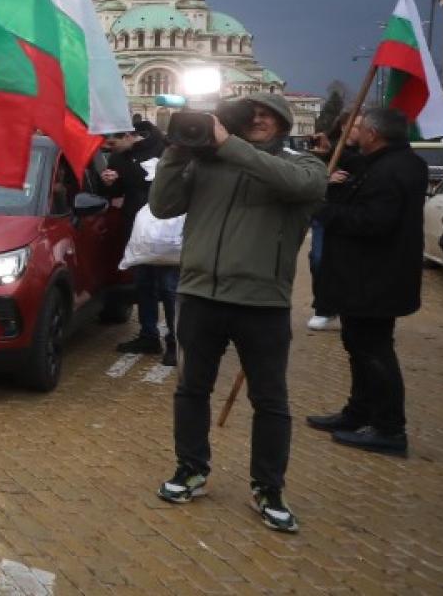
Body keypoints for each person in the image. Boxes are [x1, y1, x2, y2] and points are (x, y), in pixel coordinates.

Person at [149, 92, 325, 534]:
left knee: (270, 400)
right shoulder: (208, 164)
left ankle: (268, 488)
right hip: (200, 294)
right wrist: (175, 153)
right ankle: (191, 469)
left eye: (268, 114)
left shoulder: (304, 167)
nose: (259, 119)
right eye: (251, 114)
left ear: (285, 123)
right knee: (192, 389)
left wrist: (229, 145)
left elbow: (296, 186)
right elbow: (162, 206)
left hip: (261, 301)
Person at [306, 107, 426, 456]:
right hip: (369, 277)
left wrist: (322, 209)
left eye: (359, 127)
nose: (353, 131)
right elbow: (358, 172)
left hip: (374, 278)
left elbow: (373, 222)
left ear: (373, 134)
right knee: (358, 346)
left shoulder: (390, 170)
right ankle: (358, 413)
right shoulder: (394, 162)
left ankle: (389, 428)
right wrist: (330, 154)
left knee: (374, 352)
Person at [106, 130, 178, 364]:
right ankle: (149, 337)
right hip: (138, 234)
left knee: (170, 289)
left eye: (113, 142)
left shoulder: (165, 149)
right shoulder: (117, 158)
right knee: (144, 286)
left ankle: (175, 343)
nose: (110, 147)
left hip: (167, 234)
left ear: (129, 135)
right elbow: (117, 193)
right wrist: (108, 182)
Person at [305, 114, 355, 332]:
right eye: (355, 125)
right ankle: (324, 308)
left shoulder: (368, 152)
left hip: (353, 214)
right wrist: (326, 177)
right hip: (326, 214)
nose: (358, 130)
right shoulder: (328, 150)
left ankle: (348, 308)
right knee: (318, 259)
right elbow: (308, 177)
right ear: (344, 126)